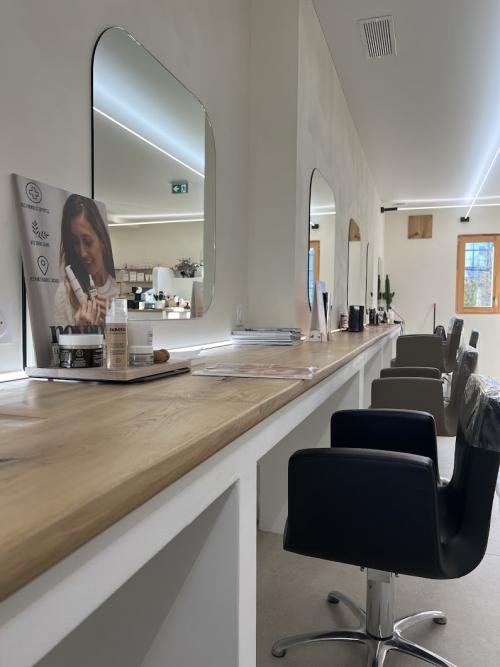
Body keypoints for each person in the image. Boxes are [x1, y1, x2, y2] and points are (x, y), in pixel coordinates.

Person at [53, 194, 119, 328]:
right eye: (75, 242)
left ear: (102, 240)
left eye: (88, 242)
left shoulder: (117, 291)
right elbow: (56, 341)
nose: (82, 253)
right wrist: (81, 331)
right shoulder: (65, 293)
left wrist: (114, 323)